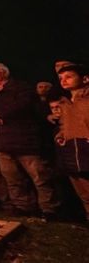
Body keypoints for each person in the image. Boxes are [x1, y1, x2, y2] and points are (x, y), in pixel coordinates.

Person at [0, 62, 59, 219]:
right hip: (0, 140)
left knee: (39, 176)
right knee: (12, 177)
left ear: (5, 72)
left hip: (23, 139)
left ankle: (49, 207)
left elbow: (23, 104)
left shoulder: (20, 87)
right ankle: (22, 205)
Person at [54, 64, 89, 221]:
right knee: (82, 192)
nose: (64, 80)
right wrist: (61, 135)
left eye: (69, 77)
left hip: (85, 146)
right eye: (61, 78)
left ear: (85, 79)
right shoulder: (65, 102)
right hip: (71, 149)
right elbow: (66, 124)